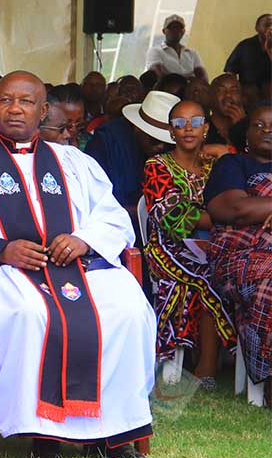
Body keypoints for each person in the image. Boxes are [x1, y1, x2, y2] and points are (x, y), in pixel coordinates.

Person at [0, 71, 155, 458]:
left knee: (127, 309)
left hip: (80, 267)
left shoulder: (74, 161)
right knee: (29, 313)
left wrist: (84, 239)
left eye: (26, 101)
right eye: (5, 100)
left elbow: (114, 218)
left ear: (43, 111)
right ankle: (44, 435)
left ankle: (112, 434)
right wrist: (2, 249)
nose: (15, 109)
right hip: (6, 272)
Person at [142, 100, 235, 387]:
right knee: (210, 275)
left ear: (205, 128)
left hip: (214, 245)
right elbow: (174, 217)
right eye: (179, 123)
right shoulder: (156, 166)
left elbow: (242, 183)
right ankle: (207, 367)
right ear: (171, 131)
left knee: (226, 267)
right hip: (168, 247)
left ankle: (214, 361)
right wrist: (226, 217)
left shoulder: (216, 165)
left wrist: (226, 151)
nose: (188, 129)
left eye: (195, 122)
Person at [205, 102, 272, 395]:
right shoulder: (232, 165)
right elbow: (235, 209)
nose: (268, 130)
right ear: (246, 133)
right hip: (238, 258)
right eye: (259, 125)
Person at [85, 90, 177, 212]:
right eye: (155, 140)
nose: (161, 147)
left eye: (167, 142)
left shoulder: (170, 152)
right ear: (138, 128)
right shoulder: (105, 142)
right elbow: (93, 199)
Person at [144, 15, 207, 81]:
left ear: (183, 31)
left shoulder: (193, 53)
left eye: (179, 28)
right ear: (164, 31)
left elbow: (203, 77)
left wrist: (171, 76)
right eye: (171, 28)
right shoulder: (155, 51)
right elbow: (158, 75)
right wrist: (190, 79)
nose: (175, 30)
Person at [223, 13, 272, 94]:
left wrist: (269, 49)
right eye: (267, 25)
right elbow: (230, 71)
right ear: (257, 28)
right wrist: (235, 90)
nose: (270, 28)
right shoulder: (244, 46)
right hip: (247, 93)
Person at [207, 73, 247, 147]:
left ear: (241, 97)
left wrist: (242, 126)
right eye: (221, 90)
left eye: (234, 90)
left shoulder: (251, 127)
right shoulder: (202, 127)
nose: (228, 95)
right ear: (210, 97)